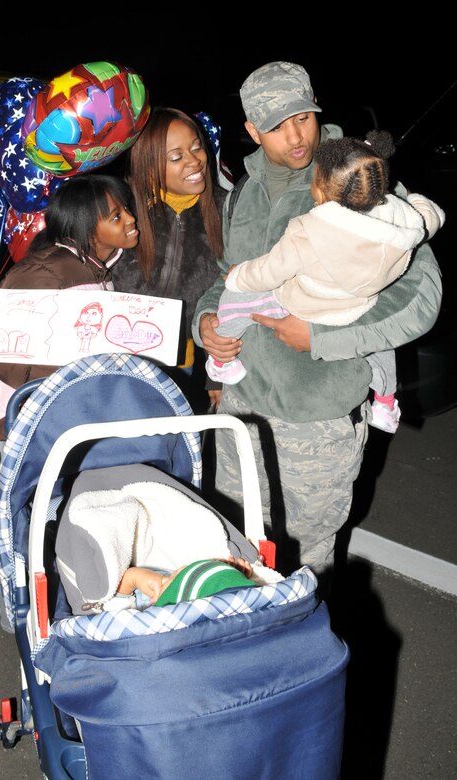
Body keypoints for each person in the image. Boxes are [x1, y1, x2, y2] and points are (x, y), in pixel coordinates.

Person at [192, 61, 442, 591]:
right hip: (243, 410)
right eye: (278, 125)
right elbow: (227, 276)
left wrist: (323, 338)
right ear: (252, 131)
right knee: (232, 549)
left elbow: (422, 298)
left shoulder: (356, 178)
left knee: (307, 567)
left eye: (303, 117)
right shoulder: (242, 190)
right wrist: (206, 322)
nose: (296, 134)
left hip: (319, 421)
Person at [206, 130, 445, 434]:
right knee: (383, 350)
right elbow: (429, 218)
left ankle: (221, 364)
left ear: (320, 190)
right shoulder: (400, 217)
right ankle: (385, 403)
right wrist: (416, 201)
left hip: (304, 303)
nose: (294, 134)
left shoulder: (309, 228)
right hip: (356, 305)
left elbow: (269, 270)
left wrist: (238, 276)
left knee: (237, 300)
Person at [0, 173, 139, 442]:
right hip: (26, 420)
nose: (131, 219)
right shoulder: (45, 276)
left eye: (126, 209)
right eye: (116, 216)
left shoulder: (96, 267)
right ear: (85, 229)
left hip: (62, 415)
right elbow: (4, 354)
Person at [111, 106, 228, 412]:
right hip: (118, 360)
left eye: (196, 147)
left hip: (184, 366)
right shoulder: (121, 211)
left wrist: (215, 376)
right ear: (150, 167)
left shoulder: (227, 212)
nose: (194, 161)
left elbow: (232, 296)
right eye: (176, 157)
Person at [108, 556, 257, 611]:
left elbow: (112, 601)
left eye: (176, 575)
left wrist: (133, 577)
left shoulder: (147, 607)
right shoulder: (170, 592)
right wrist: (235, 576)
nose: (179, 570)